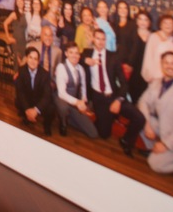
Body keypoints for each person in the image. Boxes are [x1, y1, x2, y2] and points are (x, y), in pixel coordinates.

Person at [84, 28, 146, 156]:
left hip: (114, 96)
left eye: (103, 39)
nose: (100, 42)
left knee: (139, 118)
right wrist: (85, 60)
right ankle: (105, 118)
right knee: (104, 134)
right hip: (99, 98)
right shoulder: (87, 53)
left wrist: (118, 100)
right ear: (93, 39)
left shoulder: (114, 57)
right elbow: (75, 57)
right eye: (98, 38)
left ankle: (126, 140)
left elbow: (123, 82)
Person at [53, 44, 99, 138]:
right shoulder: (61, 67)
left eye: (77, 53)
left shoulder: (81, 69)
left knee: (93, 134)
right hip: (61, 98)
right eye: (71, 52)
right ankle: (63, 121)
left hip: (74, 102)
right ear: (66, 54)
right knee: (63, 107)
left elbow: (83, 88)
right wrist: (77, 102)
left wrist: (83, 102)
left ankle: (68, 117)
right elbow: (61, 93)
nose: (74, 55)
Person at [15, 47, 55, 136]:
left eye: (35, 59)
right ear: (26, 58)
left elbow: (47, 95)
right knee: (17, 101)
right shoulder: (22, 70)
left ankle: (46, 125)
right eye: (30, 58)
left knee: (51, 108)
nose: (33, 61)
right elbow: (20, 92)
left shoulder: (45, 74)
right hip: (29, 100)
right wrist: (27, 109)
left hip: (40, 101)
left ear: (38, 61)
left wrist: (36, 110)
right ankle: (26, 116)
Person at [141, 14, 173, 90]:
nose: (168, 25)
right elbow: (148, 56)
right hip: (156, 75)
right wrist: (148, 74)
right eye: (165, 23)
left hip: (170, 76)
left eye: (170, 23)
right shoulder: (154, 37)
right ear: (160, 25)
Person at [126, 10, 154, 102]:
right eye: (140, 19)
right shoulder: (131, 33)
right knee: (134, 96)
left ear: (149, 22)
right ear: (137, 21)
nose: (143, 22)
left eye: (145, 20)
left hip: (149, 70)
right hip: (134, 70)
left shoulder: (154, 35)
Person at [3, 0, 27, 64]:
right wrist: (8, 37)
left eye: (21, 0)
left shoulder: (25, 14)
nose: (20, 2)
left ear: (23, 2)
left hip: (24, 41)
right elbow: (5, 23)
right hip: (16, 41)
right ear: (16, 3)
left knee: (23, 62)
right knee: (18, 62)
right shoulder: (14, 14)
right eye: (18, 1)